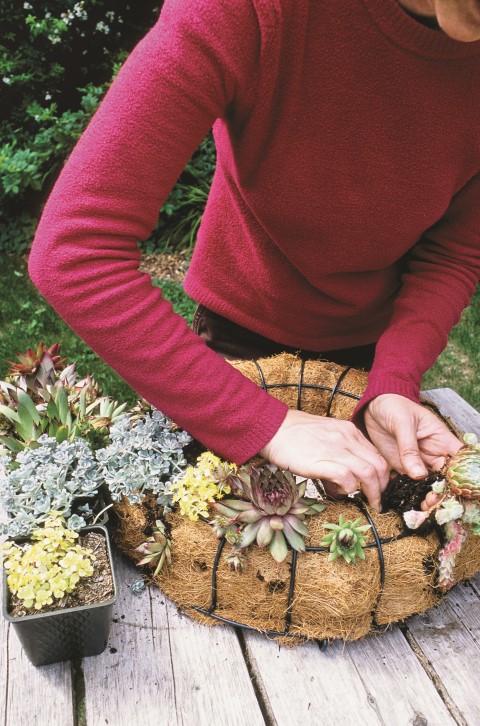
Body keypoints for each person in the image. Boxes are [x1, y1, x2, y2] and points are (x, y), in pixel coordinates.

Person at [28, 0, 480, 513]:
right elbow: (74, 251)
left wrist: (395, 380)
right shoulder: (248, 10)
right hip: (233, 342)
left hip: (377, 349)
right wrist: (264, 423)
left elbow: (454, 252)